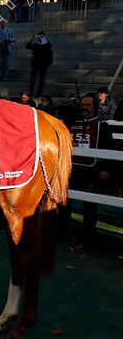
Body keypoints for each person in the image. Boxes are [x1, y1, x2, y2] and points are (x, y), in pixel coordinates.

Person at [60, 94, 114, 239]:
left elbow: (109, 148)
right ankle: (62, 230)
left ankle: (89, 233)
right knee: (65, 202)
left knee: (90, 205)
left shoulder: (102, 126)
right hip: (71, 169)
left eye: (88, 105)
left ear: (94, 107)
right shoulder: (71, 122)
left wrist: (106, 169)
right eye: (82, 104)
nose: (85, 107)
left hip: (92, 170)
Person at [26, 32, 53, 97]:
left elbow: (50, 49)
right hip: (35, 64)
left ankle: (39, 93)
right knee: (32, 79)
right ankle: (31, 92)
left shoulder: (47, 46)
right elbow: (28, 46)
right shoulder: (36, 45)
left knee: (42, 80)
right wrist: (31, 40)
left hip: (43, 65)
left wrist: (44, 38)